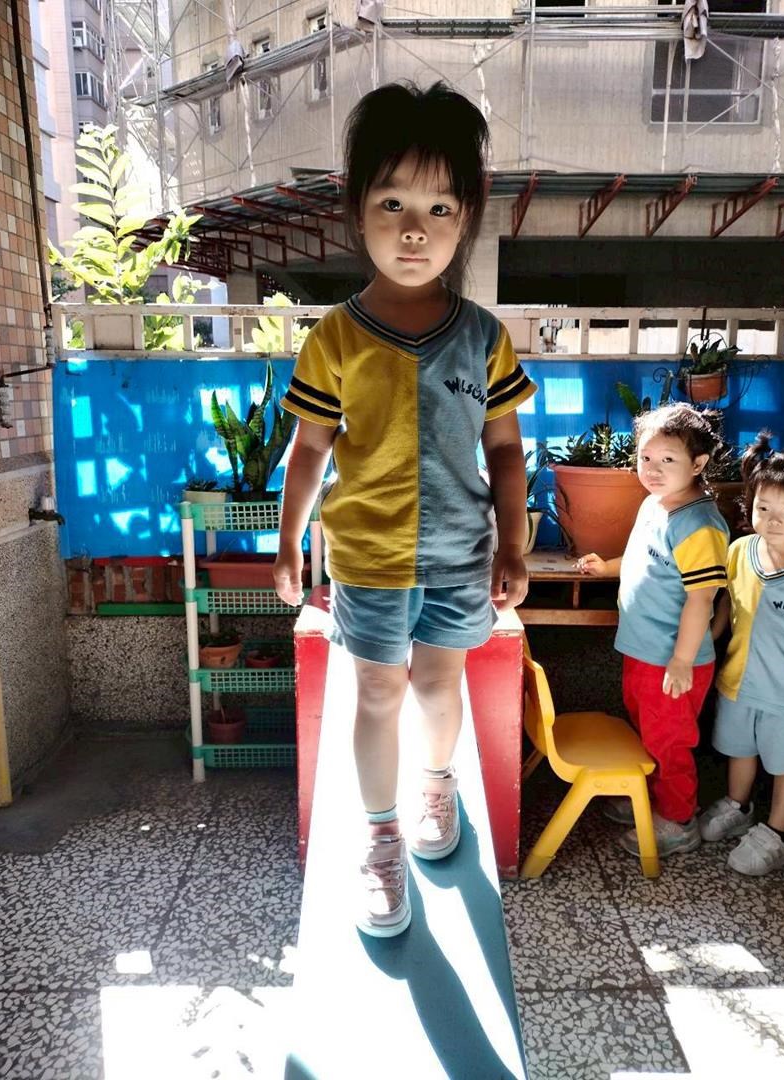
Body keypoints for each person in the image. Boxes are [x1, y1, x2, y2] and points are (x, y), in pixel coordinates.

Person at [273, 82, 536, 937]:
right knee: (378, 690)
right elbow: (309, 450)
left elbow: (505, 450)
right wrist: (289, 542)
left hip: (462, 555)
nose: (414, 229)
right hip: (369, 556)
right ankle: (381, 838)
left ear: (465, 221)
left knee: (437, 683)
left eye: (438, 207)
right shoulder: (334, 339)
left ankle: (437, 786)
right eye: (392, 203)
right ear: (358, 211)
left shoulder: (483, 337)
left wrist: (514, 543)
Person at [577, 404, 729, 858]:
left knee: (670, 740)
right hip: (643, 653)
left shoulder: (700, 526)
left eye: (668, 460)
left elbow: (702, 600)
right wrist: (607, 568)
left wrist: (682, 661)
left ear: (698, 464)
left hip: (672, 662)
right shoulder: (653, 504)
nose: (653, 469)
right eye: (646, 458)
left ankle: (678, 820)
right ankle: (649, 796)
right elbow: (642, 559)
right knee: (646, 731)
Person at [699, 434, 784, 875]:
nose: (774, 520)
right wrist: (707, 641)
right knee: (739, 749)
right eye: (764, 507)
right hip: (737, 682)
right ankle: (737, 805)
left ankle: (777, 832)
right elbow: (727, 603)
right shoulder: (739, 551)